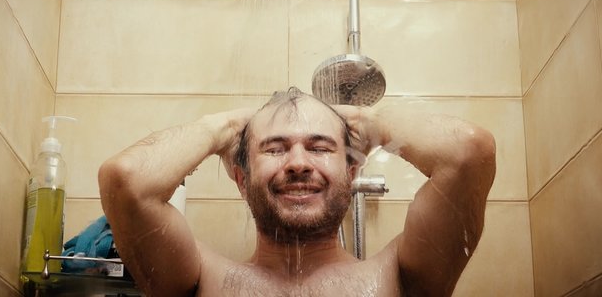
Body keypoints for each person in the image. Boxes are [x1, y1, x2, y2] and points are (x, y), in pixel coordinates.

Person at [98, 87, 496, 296]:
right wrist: (220, 128)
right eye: (274, 148)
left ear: (352, 172)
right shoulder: (199, 279)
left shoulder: (402, 277)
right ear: (240, 178)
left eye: (321, 147)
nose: (298, 163)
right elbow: (126, 180)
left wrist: (366, 119)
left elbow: (468, 154)